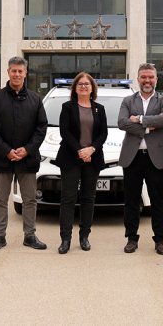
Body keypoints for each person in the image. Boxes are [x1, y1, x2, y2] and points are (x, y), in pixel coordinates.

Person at [0, 56, 48, 251]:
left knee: (29, 199)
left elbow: (41, 128)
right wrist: (6, 151)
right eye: (14, 71)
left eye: (20, 71)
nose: (17, 74)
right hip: (3, 158)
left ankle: (30, 235)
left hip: (27, 158)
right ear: (8, 72)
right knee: (1, 199)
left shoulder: (35, 99)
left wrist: (27, 149)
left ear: (25, 73)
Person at [118, 62, 163, 255]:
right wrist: (151, 126)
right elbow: (122, 123)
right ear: (138, 78)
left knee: (158, 199)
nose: (147, 80)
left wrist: (140, 120)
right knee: (131, 200)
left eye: (151, 77)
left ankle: (160, 240)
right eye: (144, 77)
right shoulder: (128, 100)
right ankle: (131, 238)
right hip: (132, 157)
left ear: (156, 79)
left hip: (155, 157)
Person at [55, 72, 108, 254]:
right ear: (75, 88)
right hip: (71, 158)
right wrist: (79, 150)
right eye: (80, 84)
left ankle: (84, 236)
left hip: (92, 159)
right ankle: (65, 239)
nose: (84, 86)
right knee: (68, 199)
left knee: (88, 198)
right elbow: (65, 132)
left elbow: (103, 134)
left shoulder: (99, 109)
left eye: (87, 84)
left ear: (92, 88)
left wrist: (91, 149)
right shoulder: (67, 107)